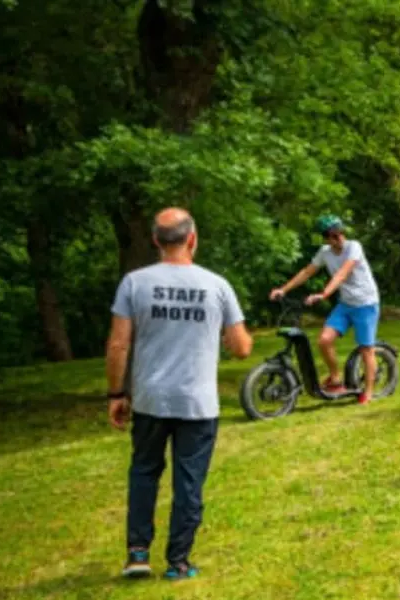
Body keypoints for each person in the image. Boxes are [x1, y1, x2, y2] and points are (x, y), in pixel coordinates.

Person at [105, 208, 253, 580]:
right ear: (192, 238)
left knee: (144, 472)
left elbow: (119, 344)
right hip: (197, 403)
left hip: (151, 399)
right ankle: (178, 562)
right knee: (188, 482)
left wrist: (116, 394)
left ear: (156, 240)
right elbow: (241, 349)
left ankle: (137, 553)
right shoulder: (216, 285)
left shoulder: (134, 283)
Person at [270, 215, 381, 403]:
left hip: (365, 303)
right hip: (346, 304)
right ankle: (336, 378)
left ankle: (368, 392)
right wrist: (283, 289)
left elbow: (342, 274)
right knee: (324, 340)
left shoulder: (354, 247)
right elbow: (306, 272)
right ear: (326, 238)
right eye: (331, 236)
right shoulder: (325, 252)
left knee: (366, 349)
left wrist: (324, 294)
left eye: (338, 234)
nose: (337, 239)